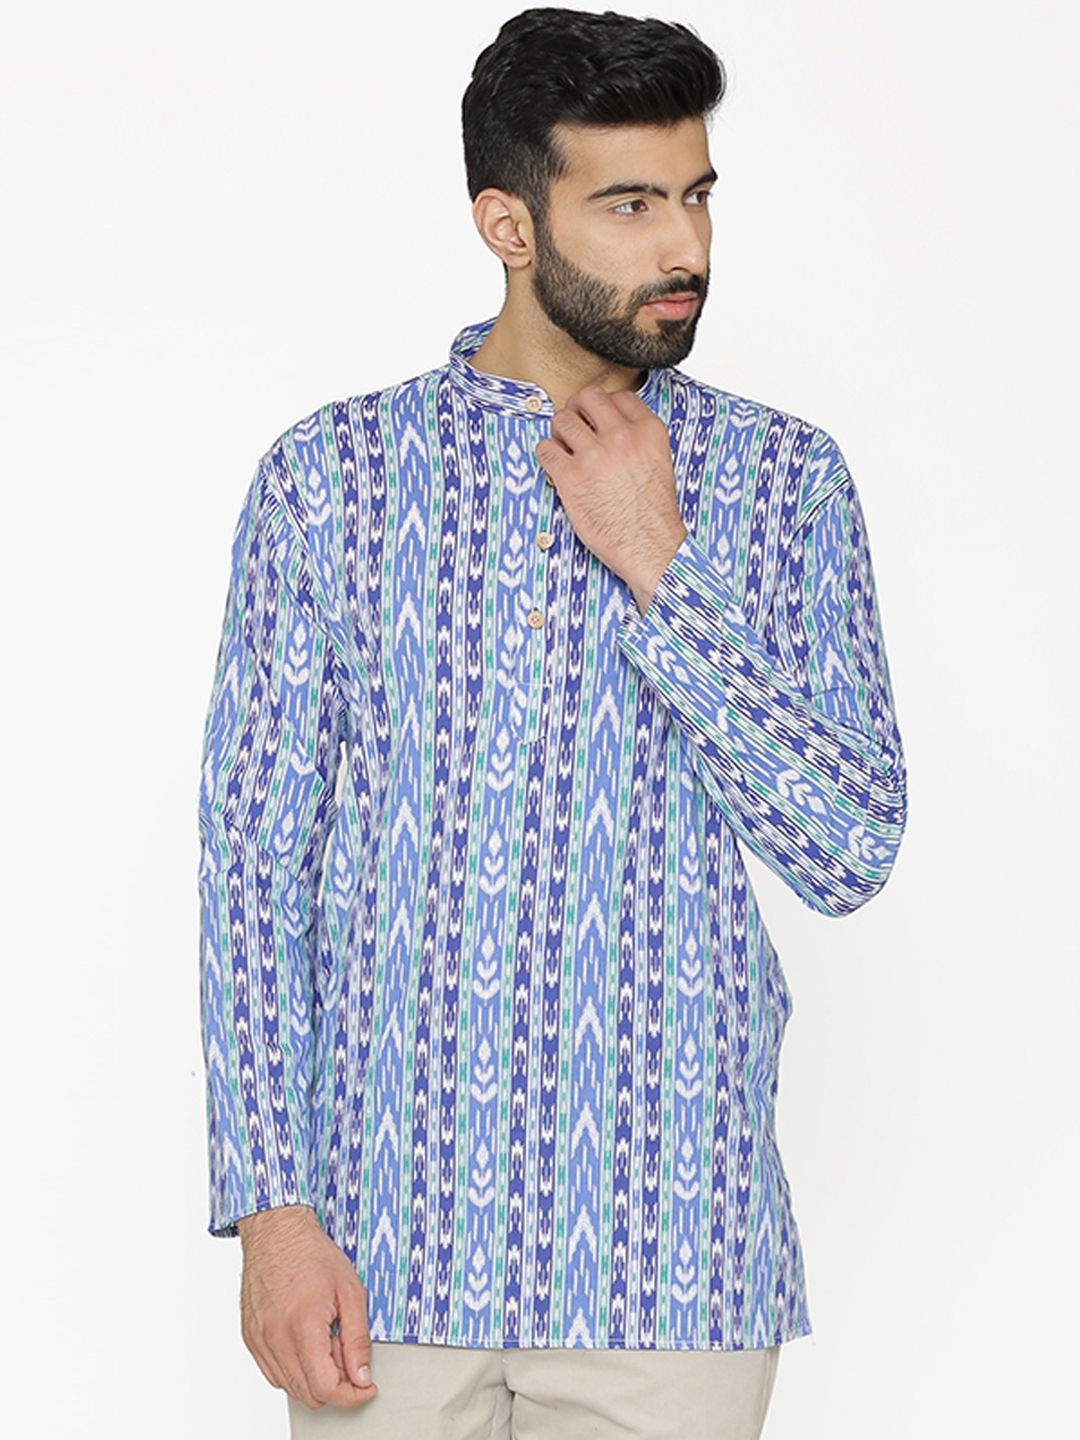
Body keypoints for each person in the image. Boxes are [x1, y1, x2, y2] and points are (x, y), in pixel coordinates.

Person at [196, 8, 909, 1437]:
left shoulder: (784, 481)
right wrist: (273, 1214)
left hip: (674, 1264)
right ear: (507, 224)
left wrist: (660, 560)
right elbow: (255, 870)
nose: (684, 245)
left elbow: (850, 846)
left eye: (697, 195)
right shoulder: (331, 480)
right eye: (631, 204)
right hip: (383, 1260)